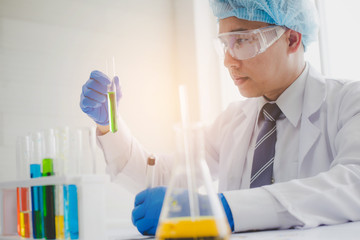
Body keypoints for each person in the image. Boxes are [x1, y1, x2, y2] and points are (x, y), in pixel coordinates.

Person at [80, 0, 360, 236]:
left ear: (291, 39)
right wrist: (109, 125)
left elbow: (353, 184)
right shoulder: (233, 121)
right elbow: (162, 178)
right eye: (225, 43)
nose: (228, 60)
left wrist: (223, 209)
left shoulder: (349, 102)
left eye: (243, 40)